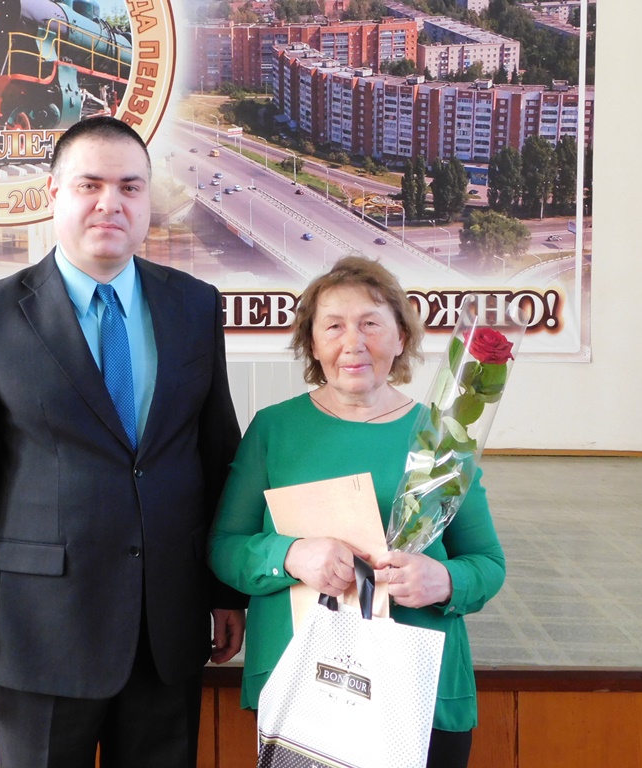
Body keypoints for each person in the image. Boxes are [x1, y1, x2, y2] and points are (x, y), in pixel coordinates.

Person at [0, 115, 246, 768]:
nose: (110, 203)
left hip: (166, 628)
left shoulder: (194, 305)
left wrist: (224, 593)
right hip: (42, 631)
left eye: (130, 187)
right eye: (89, 184)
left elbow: (217, 455)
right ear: (53, 194)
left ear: (147, 199)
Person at [208, 256, 505, 768]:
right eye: (334, 326)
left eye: (370, 323)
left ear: (401, 337)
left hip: (419, 688)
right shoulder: (274, 429)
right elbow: (224, 548)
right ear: (312, 343)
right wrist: (290, 556)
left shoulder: (444, 436)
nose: (353, 342)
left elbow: (487, 563)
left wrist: (444, 581)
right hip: (303, 685)